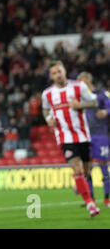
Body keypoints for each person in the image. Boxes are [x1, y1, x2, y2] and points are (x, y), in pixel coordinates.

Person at [41, 61, 100, 217]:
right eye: (54, 73)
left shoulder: (79, 86)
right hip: (64, 137)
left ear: (64, 71)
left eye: (59, 71)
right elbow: (45, 110)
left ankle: (79, 183)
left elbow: (94, 102)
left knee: (86, 170)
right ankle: (91, 204)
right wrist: (48, 119)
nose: (57, 75)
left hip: (82, 134)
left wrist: (80, 104)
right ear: (50, 76)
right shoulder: (47, 94)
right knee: (78, 169)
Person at [77, 72, 110, 207]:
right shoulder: (81, 98)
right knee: (86, 168)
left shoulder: (101, 94)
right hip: (86, 136)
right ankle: (91, 199)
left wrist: (106, 112)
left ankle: (107, 198)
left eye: (81, 80)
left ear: (88, 80)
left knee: (103, 167)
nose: (79, 83)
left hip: (100, 136)